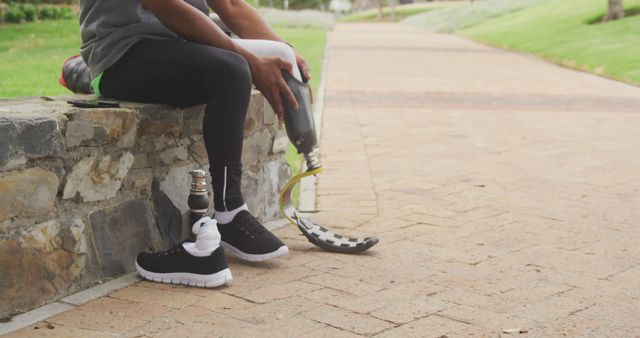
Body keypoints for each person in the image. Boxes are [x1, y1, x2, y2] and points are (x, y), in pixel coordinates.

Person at [79, 0, 312, 287]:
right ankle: (227, 218)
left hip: (179, 47)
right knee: (233, 69)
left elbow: (231, 7)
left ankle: (228, 219)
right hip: (120, 55)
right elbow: (165, 6)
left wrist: (290, 55)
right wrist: (252, 64)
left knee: (237, 67)